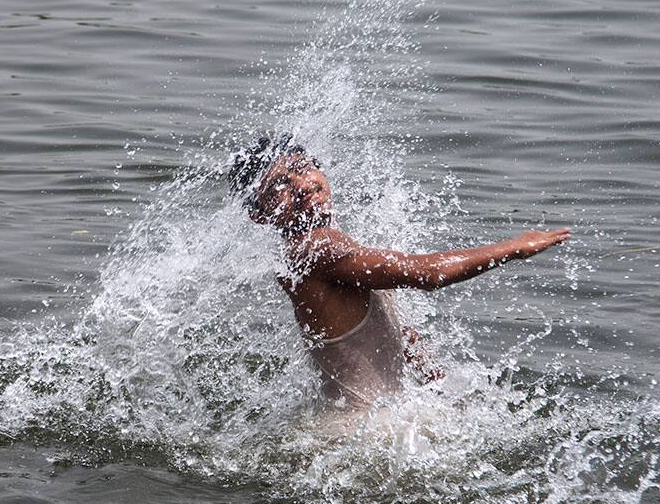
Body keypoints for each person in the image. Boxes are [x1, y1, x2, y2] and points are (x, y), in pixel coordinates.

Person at [229, 135, 570, 413]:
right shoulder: (316, 249)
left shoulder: (315, 250)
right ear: (260, 214)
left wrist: (438, 383)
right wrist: (516, 248)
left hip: (356, 427)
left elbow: (392, 328)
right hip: (358, 439)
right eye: (280, 186)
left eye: (303, 170)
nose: (302, 186)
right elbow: (427, 274)